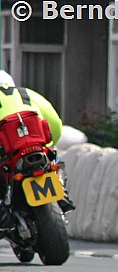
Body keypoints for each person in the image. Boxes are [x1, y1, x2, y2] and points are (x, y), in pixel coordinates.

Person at [0, 70, 75, 215]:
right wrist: (49, 145)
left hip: (9, 158)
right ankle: (62, 192)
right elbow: (56, 124)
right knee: (54, 161)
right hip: (38, 150)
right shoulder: (28, 94)